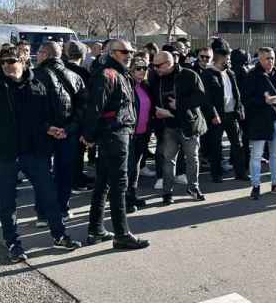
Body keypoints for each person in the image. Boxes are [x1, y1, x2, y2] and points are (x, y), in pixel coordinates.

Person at [0, 47, 82, 261]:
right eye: (3, 62)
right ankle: (13, 242)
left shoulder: (37, 85)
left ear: (23, 61)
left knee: (48, 196)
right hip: (6, 154)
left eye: (11, 61)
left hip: (35, 151)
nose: (6, 65)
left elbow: (42, 117)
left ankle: (59, 235)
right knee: (8, 202)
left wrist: (48, 129)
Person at [82, 39, 149, 250]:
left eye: (131, 51)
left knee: (103, 183)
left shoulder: (119, 73)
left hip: (118, 133)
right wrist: (89, 136)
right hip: (114, 134)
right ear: (112, 52)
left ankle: (96, 229)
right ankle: (121, 234)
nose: (129, 54)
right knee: (119, 185)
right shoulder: (107, 74)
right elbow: (95, 108)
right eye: (124, 51)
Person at [35, 41, 87, 222]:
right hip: (66, 133)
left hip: (44, 133)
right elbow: (82, 108)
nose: (36, 55)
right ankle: (62, 208)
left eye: (39, 52)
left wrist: (49, 128)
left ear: (46, 54)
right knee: (64, 173)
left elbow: (29, 109)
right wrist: (69, 128)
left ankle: (43, 213)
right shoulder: (75, 76)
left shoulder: (34, 76)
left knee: (43, 174)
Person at [149, 50, 207, 204]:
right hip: (168, 126)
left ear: (169, 63)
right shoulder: (155, 77)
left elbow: (200, 97)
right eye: (153, 65)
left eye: (158, 65)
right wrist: (157, 113)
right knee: (168, 160)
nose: (155, 68)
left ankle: (193, 188)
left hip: (189, 125)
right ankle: (167, 192)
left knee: (192, 159)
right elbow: (151, 98)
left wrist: (179, 104)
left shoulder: (189, 75)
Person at [243, 47, 276, 200]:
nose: (270, 61)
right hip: (259, 120)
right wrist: (263, 101)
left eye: (272, 58)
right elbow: (245, 100)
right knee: (256, 155)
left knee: (275, 155)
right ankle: (255, 185)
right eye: (266, 58)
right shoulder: (252, 76)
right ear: (259, 59)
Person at [200, 48, 246, 184]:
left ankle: (240, 172)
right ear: (219, 59)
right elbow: (206, 98)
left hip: (232, 114)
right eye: (227, 59)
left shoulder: (230, 73)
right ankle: (216, 174)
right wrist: (213, 114)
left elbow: (236, 93)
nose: (229, 61)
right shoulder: (208, 74)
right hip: (217, 116)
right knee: (216, 146)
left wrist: (240, 109)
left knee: (238, 144)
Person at [63, 40, 95, 190]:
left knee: (71, 152)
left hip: (64, 115)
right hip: (78, 116)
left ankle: (76, 176)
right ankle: (76, 178)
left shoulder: (62, 69)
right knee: (77, 151)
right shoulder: (84, 73)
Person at [126, 56, 155, 212]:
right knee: (128, 168)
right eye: (138, 68)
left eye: (145, 68)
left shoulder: (144, 86)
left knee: (136, 167)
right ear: (130, 70)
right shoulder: (127, 86)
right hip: (129, 134)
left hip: (143, 133)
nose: (142, 71)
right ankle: (124, 200)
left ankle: (132, 195)